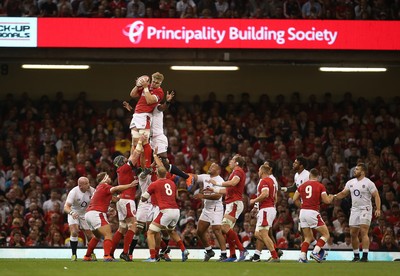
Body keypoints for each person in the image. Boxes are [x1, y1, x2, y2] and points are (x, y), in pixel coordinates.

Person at [123, 90, 194, 187]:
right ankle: (173, 177)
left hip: (158, 137)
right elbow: (141, 118)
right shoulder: (146, 110)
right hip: (151, 139)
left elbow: (163, 107)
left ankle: (186, 176)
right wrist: (131, 110)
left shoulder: (157, 107)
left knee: (163, 163)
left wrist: (167, 101)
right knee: (153, 163)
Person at [83, 172, 138, 261]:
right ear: (104, 179)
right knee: (108, 234)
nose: (109, 177)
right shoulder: (104, 186)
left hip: (89, 214)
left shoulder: (98, 188)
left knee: (97, 236)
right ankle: (107, 256)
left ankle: (87, 256)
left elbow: (112, 199)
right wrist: (130, 185)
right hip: (97, 213)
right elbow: (116, 188)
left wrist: (112, 207)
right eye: (107, 176)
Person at [333, 163, 381, 262]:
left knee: (364, 231)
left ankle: (365, 255)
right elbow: (343, 193)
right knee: (353, 233)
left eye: (357, 169)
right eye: (355, 169)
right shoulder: (350, 182)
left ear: (362, 171)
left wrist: (378, 209)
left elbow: (376, 195)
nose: (354, 171)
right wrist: (333, 197)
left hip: (365, 209)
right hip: (354, 209)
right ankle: (356, 255)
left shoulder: (369, 183)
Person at [141, 165, 189, 262]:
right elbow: (176, 196)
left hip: (165, 211)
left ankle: (153, 257)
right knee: (171, 231)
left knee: (150, 232)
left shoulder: (154, 184)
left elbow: (144, 198)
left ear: (157, 174)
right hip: (176, 211)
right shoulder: (172, 183)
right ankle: (184, 250)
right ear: (166, 174)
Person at [209, 154, 248, 262]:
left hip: (234, 203)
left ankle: (242, 249)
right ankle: (232, 255)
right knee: (226, 230)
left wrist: (217, 183)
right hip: (231, 203)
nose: (229, 162)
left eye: (232, 160)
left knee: (224, 228)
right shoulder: (234, 173)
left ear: (236, 163)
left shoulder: (238, 171)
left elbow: (233, 182)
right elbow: (227, 190)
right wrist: (214, 190)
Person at [293, 168, 333, 263]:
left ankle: (302, 257)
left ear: (309, 176)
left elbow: (294, 198)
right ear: (318, 176)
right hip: (313, 212)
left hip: (302, 212)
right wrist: (331, 197)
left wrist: (302, 206)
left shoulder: (302, 185)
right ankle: (315, 252)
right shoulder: (320, 186)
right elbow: (326, 201)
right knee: (326, 234)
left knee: (308, 237)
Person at [129, 72, 165, 171]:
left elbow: (149, 101)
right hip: (136, 115)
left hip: (145, 116)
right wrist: (137, 86)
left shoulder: (160, 92)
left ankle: (146, 165)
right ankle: (133, 165)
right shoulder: (147, 86)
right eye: (153, 81)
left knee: (144, 142)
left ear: (160, 83)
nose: (154, 84)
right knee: (135, 142)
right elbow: (132, 94)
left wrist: (145, 88)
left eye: (157, 83)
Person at [249, 160, 283, 262]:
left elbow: (265, 194)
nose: (258, 171)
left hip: (266, 209)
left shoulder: (264, 181)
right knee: (258, 233)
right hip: (269, 208)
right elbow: (275, 197)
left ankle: (274, 255)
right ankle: (275, 250)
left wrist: (254, 201)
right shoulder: (272, 181)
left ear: (263, 171)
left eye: (259, 170)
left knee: (264, 234)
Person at [192, 162, 226, 261]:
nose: (210, 167)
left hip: (216, 207)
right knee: (199, 231)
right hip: (207, 208)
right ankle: (209, 251)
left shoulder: (220, 180)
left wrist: (203, 196)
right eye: (210, 166)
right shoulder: (205, 177)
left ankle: (224, 254)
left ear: (218, 170)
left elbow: (218, 196)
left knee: (216, 229)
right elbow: (195, 177)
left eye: (213, 167)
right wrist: (185, 175)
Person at [110, 153, 139, 262]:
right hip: (127, 200)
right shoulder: (125, 168)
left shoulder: (124, 171)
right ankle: (125, 252)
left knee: (122, 228)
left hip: (122, 199)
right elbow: (135, 156)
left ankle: (110, 253)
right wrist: (139, 142)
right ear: (122, 162)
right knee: (133, 226)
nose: (126, 159)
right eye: (124, 159)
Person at [64, 176, 96, 261]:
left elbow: (99, 201)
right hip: (74, 213)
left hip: (85, 214)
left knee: (90, 236)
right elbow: (66, 207)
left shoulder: (92, 190)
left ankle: (91, 253)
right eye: (86, 184)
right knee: (74, 232)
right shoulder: (73, 192)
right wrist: (72, 213)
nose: (88, 185)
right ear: (80, 186)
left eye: (88, 183)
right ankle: (74, 255)